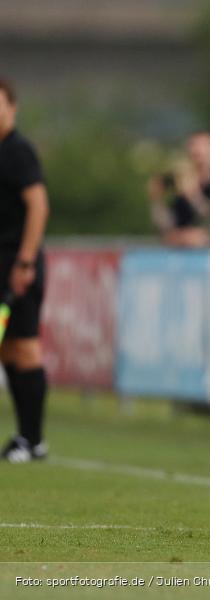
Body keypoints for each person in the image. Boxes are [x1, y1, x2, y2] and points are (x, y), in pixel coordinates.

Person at [0, 78, 50, 462]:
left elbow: (38, 204)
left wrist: (26, 260)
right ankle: (25, 438)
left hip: (18, 266)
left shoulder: (18, 151)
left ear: (13, 107)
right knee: (9, 350)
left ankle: (33, 441)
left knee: (25, 348)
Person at [148, 131, 210, 247]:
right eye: (193, 149)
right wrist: (156, 200)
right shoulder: (181, 194)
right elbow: (166, 227)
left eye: (203, 148)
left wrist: (194, 195)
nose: (197, 152)